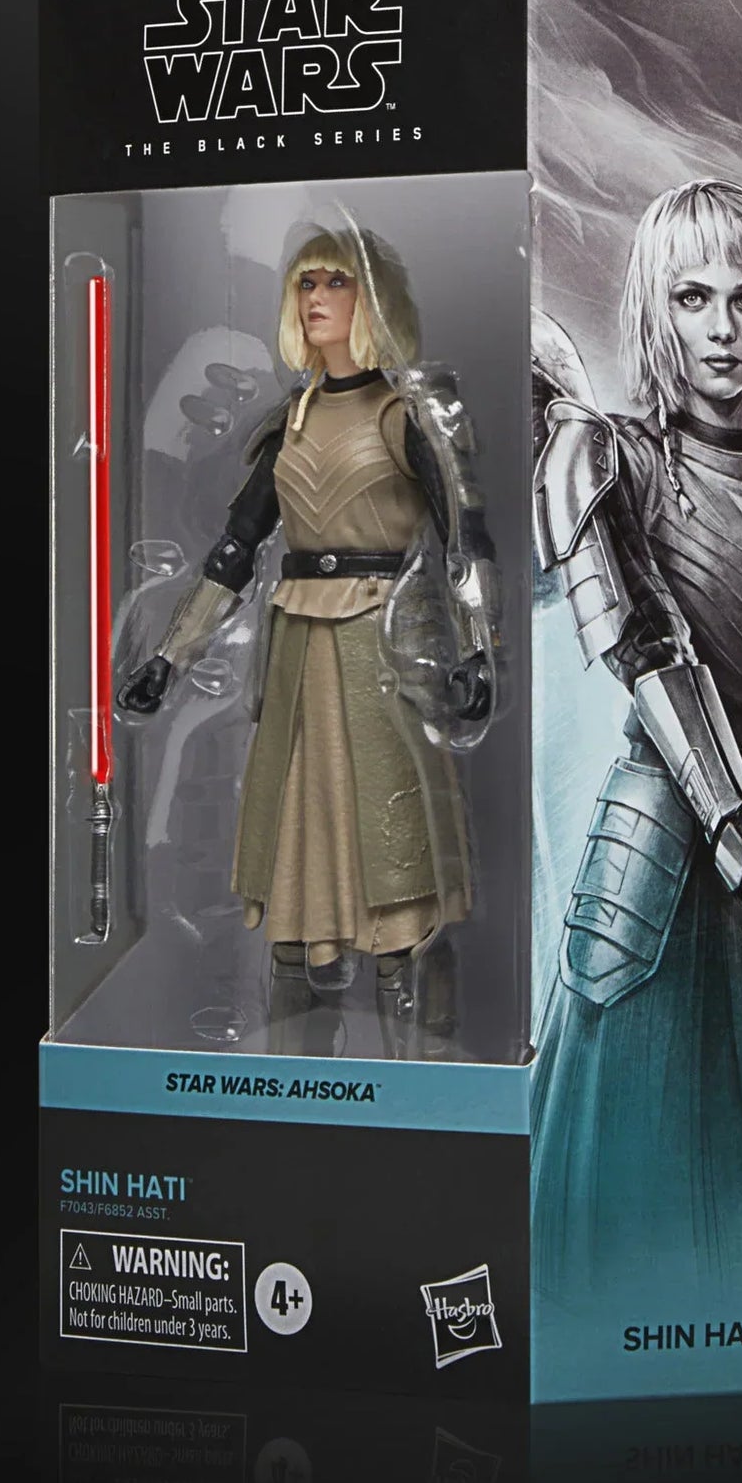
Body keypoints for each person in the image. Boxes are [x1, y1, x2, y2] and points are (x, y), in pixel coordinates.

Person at [530, 179, 742, 1342]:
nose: (720, 327)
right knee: (621, 1202)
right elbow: (644, 647)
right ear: (653, 310)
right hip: (660, 855)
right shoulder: (604, 457)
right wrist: (729, 823)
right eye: (691, 297)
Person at [121, 226, 496, 1060]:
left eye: (336, 281)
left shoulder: (407, 416)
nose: (317, 297)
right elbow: (234, 552)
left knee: (397, 873)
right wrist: (169, 660)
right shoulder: (287, 423)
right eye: (305, 283)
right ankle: (297, 1070)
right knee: (295, 872)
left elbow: (465, 542)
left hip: (385, 653)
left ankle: (420, 1076)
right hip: (297, 657)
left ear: (374, 297)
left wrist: (477, 653)